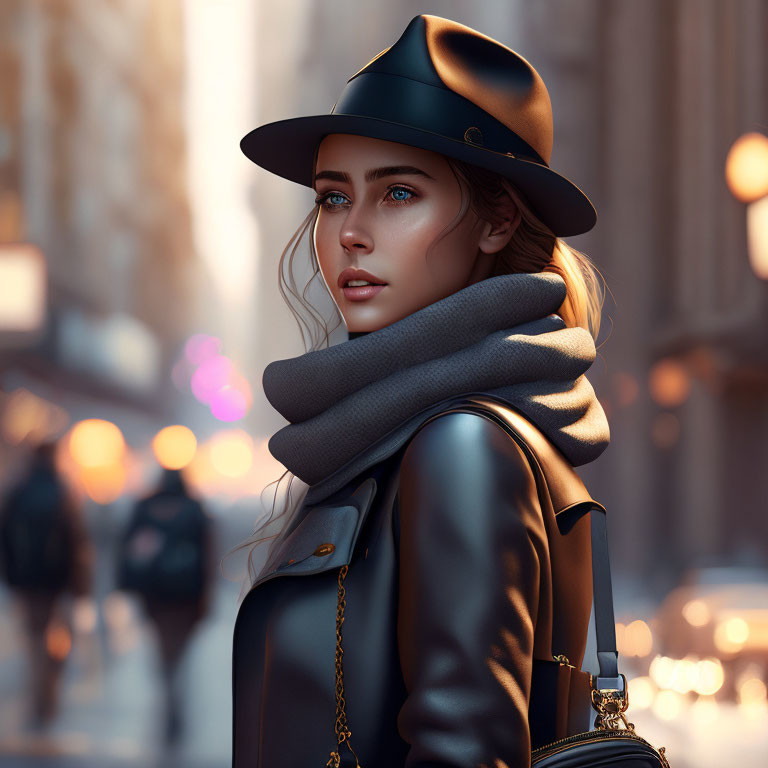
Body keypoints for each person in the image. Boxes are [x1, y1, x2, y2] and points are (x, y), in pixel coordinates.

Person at [233, 14, 611, 768]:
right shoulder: (423, 434)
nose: (351, 233)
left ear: (498, 221)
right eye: (333, 197)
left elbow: (465, 751)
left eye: (398, 193)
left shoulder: (461, 445)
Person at [117, 467, 214, 748]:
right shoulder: (195, 510)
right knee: (180, 651)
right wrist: (207, 598)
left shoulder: (145, 508)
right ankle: (175, 698)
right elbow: (208, 555)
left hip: (155, 596)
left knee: (163, 649)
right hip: (187, 597)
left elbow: (129, 550)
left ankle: (169, 692)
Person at [0, 441, 92, 729]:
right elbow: (76, 539)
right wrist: (78, 583)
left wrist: (10, 574)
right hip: (56, 580)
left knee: (34, 636)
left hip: (25, 580)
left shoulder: (18, 490)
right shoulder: (63, 491)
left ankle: (38, 695)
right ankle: (45, 695)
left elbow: (4, 536)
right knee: (58, 636)